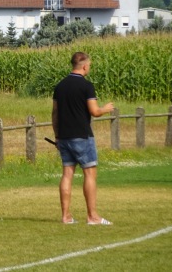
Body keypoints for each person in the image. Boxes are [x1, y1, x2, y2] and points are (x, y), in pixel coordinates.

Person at [52, 52, 114, 225]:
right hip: (82, 136)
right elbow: (94, 111)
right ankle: (93, 216)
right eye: (90, 65)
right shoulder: (87, 86)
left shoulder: (60, 86)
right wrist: (106, 108)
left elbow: (55, 113)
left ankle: (66, 216)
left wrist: (57, 136)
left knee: (67, 174)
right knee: (90, 173)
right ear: (85, 66)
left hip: (64, 136)